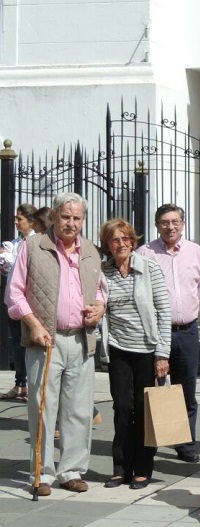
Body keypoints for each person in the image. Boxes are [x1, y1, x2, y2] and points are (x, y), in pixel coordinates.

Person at [6, 192, 105, 495]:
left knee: (78, 410)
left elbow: (101, 290)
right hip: (44, 340)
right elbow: (14, 293)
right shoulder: (33, 246)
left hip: (81, 339)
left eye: (77, 218)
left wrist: (99, 307)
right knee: (43, 407)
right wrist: (33, 324)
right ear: (54, 217)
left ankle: (71, 470)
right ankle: (42, 473)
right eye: (65, 216)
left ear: (83, 220)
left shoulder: (90, 250)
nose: (71, 223)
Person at [99, 219, 171, 490]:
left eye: (126, 238)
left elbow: (164, 311)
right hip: (118, 348)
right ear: (108, 245)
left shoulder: (148, 267)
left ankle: (142, 467)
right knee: (121, 408)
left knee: (143, 410)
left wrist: (162, 353)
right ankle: (120, 468)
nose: (122, 244)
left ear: (133, 241)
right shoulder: (103, 271)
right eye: (115, 240)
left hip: (147, 349)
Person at [137, 203, 200, 463]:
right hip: (156, 333)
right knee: (154, 388)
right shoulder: (144, 253)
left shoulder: (195, 251)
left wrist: (187, 314)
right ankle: (151, 442)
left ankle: (185, 443)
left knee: (186, 389)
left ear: (182, 224)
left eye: (175, 221)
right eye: (165, 222)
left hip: (187, 331)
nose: (170, 227)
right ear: (156, 225)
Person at [1, 203, 38, 401]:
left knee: (28, 345)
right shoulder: (15, 243)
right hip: (13, 302)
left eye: (19, 219)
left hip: (29, 304)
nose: (16, 222)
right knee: (17, 344)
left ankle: (31, 385)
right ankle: (20, 384)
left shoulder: (35, 243)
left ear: (31, 221)